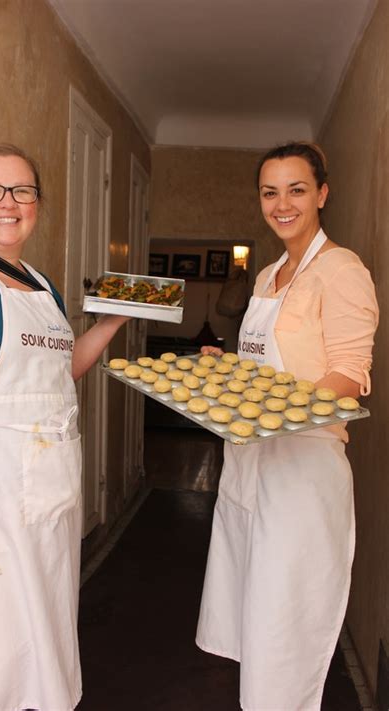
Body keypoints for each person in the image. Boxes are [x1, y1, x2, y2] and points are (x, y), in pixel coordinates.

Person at [0, 144, 129, 710]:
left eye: (23, 191)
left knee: (44, 650)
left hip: (45, 505)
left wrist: (111, 322)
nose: (8, 203)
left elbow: (59, 377)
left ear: (36, 203)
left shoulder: (41, 286)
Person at [195, 142, 379, 710]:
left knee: (287, 623)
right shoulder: (269, 274)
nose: (282, 204)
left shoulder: (342, 270)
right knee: (254, 614)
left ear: (322, 194)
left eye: (296, 189)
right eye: (270, 192)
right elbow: (263, 370)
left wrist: (275, 414)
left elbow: (350, 374)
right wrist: (226, 371)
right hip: (250, 462)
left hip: (302, 471)